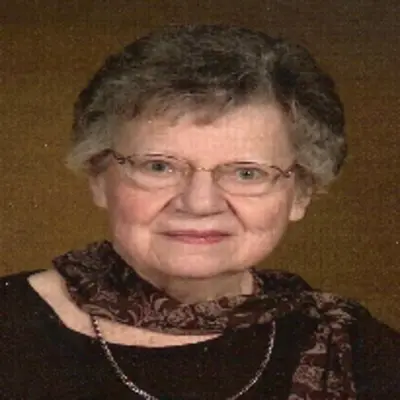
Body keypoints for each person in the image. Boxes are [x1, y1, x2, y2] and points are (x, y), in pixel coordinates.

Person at [1, 24, 399, 400]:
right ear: (99, 178)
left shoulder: (359, 350)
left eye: (246, 173)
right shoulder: (10, 323)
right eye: (159, 166)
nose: (199, 203)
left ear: (300, 193)